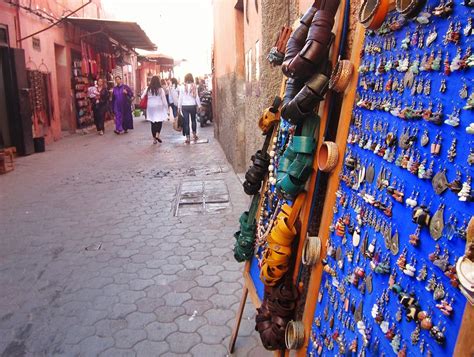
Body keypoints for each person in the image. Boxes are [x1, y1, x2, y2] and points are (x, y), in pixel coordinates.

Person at [141, 76, 168, 144]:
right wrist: (166, 107)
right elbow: (164, 100)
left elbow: (142, 96)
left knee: (153, 123)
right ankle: (157, 135)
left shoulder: (148, 88)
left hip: (151, 107)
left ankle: (154, 140)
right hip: (159, 106)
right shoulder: (160, 89)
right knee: (159, 121)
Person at [178, 73, 201, 144]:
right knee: (193, 120)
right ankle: (194, 135)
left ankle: (188, 138)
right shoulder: (194, 86)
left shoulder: (182, 87)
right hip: (192, 105)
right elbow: (196, 97)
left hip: (184, 106)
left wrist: (179, 107)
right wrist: (199, 105)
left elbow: (180, 98)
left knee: (186, 122)